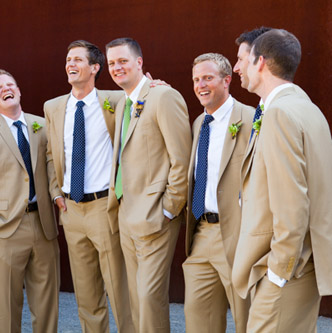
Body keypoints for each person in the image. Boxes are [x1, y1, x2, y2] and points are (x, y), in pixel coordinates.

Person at [232, 29, 332, 332]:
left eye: (241, 60)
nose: (237, 68)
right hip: (306, 266)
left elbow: (292, 202)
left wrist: (278, 272)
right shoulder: (308, 109)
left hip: (288, 271)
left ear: (260, 62)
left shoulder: (280, 114)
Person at [44, 40, 134, 332]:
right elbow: (51, 153)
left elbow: (144, 98)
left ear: (95, 67)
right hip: (71, 210)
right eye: (68, 59)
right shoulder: (53, 107)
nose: (71, 64)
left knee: (119, 291)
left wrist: (155, 85)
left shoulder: (116, 100)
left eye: (78, 60)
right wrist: (56, 192)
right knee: (86, 295)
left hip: (103, 207)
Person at [106, 37, 191, 332]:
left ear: (139, 62)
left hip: (155, 216)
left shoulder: (163, 97)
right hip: (125, 214)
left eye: (123, 61)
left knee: (149, 298)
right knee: (135, 299)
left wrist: (169, 210)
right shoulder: (122, 104)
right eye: (111, 63)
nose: (117, 67)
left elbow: (180, 159)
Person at [0, 69, 59, 332]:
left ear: (18, 91)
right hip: (4, 229)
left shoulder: (41, 125)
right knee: (8, 305)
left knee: (47, 303)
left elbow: (54, 164)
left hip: (43, 224)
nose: (6, 89)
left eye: (11, 85)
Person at [183, 53, 253, 332]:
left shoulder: (251, 119)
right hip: (201, 234)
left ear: (227, 80)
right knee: (198, 319)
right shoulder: (199, 124)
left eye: (208, 78)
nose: (201, 85)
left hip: (238, 235)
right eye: (196, 79)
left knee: (247, 320)